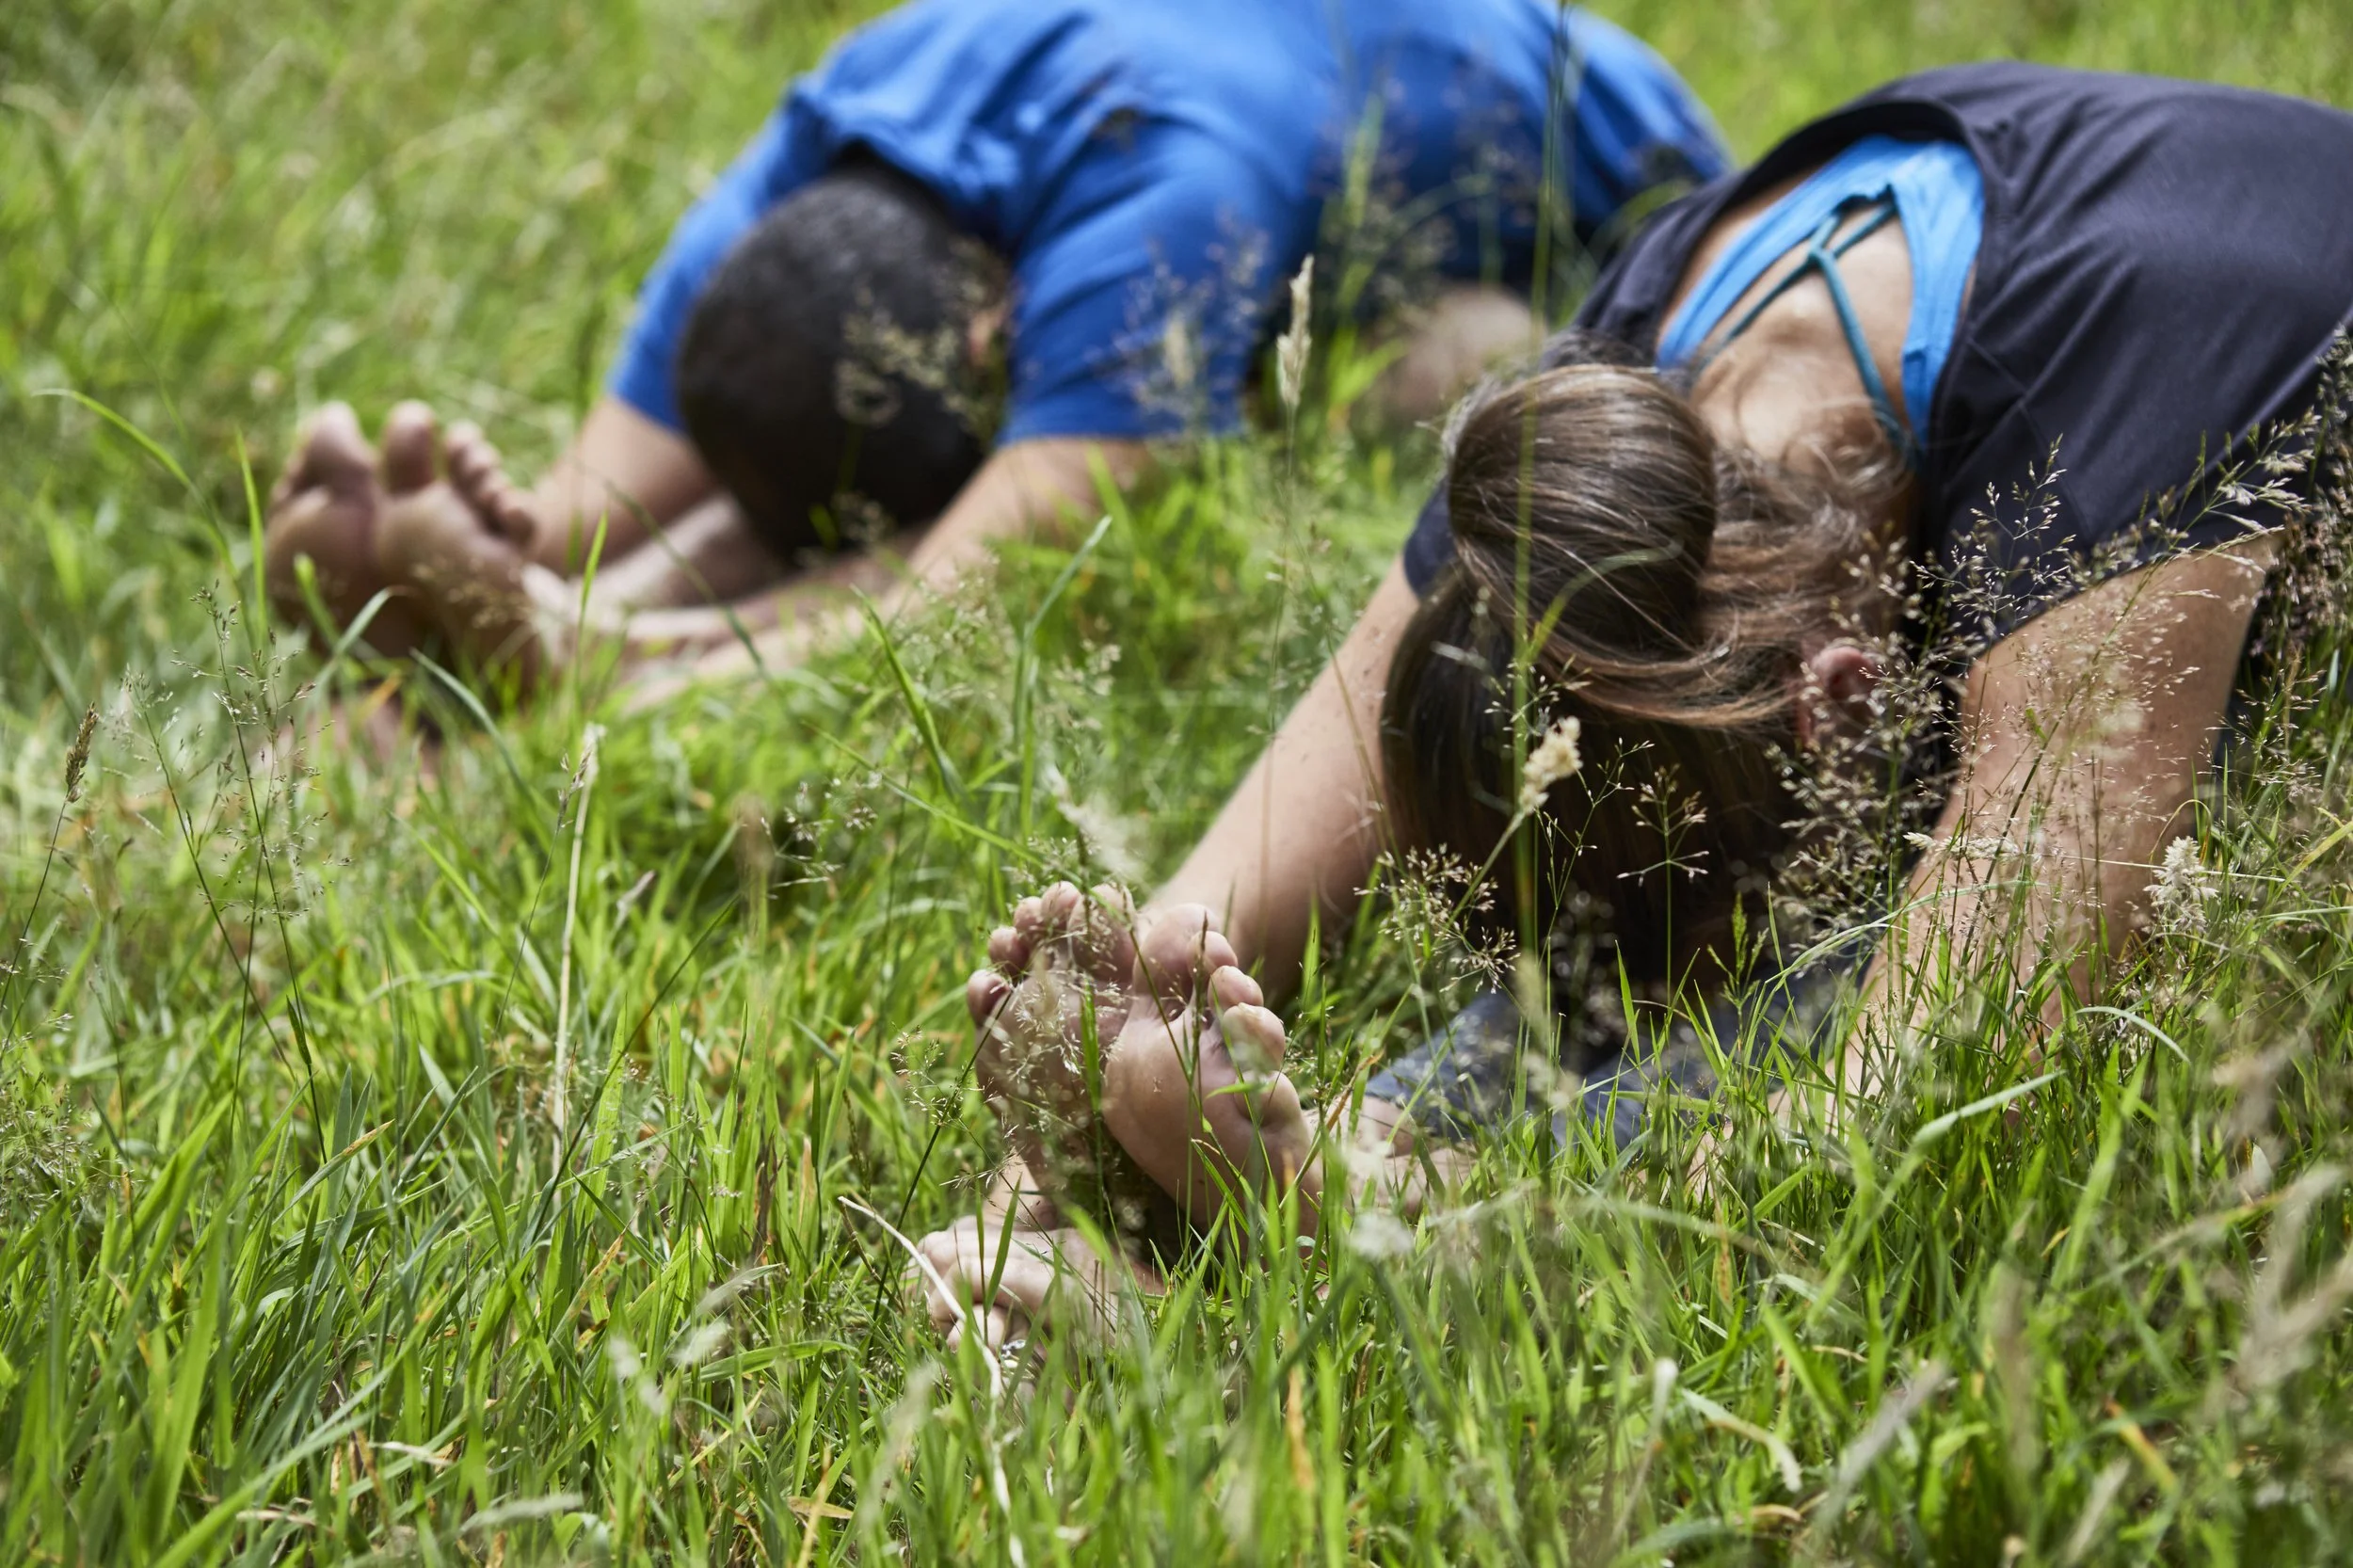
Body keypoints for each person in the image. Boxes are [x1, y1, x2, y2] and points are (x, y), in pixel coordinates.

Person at [916, 60, 2353, 1351]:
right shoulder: (1602, 448)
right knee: (1612, 925)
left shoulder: (2123, 423)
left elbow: (1945, 1056)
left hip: (2183, 385)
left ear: (1846, 709)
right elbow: (1237, 870)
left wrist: (1392, 1205)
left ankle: (1379, 1196)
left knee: (1882, 956)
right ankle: (1315, 1190)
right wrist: (1067, 1130)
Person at [262, 0, 1726, 689]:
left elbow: (976, 574)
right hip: (1225, 170)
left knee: (1443, 374)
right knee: (800, 429)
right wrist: (523, 550)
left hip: (1607, 241)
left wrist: (617, 653)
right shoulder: (835, 128)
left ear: (996, 330)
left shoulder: (1162, 187)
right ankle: (490, 623)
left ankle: (590, 651)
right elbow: (598, 487)